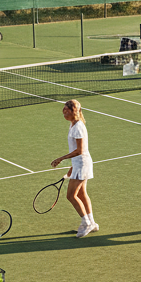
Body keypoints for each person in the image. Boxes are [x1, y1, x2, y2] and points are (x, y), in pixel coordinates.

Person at [52, 99, 97, 237]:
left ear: (74, 112)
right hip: (79, 164)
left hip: (82, 164)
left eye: (66, 110)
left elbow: (80, 150)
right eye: (63, 110)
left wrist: (61, 158)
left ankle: (86, 223)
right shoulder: (73, 125)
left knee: (71, 195)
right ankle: (92, 223)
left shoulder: (78, 127)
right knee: (82, 194)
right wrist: (72, 166)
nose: (64, 112)